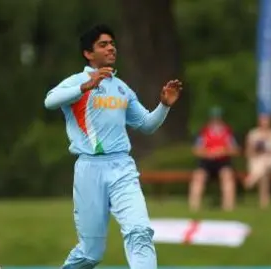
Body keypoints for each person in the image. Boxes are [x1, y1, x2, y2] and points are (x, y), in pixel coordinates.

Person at [44, 24, 182, 269]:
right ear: (88, 53)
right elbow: (50, 101)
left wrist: (164, 106)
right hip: (89, 169)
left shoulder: (122, 88)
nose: (111, 48)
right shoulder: (77, 81)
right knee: (90, 254)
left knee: (139, 231)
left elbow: (147, 125)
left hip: (121, 167)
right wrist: (83, 87)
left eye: (112, 43)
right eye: (103, 44)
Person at [189, 107, 239, 212]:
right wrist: (208, 153)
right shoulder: (204, 132)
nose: (216, 121)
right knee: (198, 177)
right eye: (214, 118)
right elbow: (196, 150)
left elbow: (235, 150)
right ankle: (194, 208)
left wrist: (223, 151)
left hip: (223, 162)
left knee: (227, 176)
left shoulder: (227, 133)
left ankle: (228, 207)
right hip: (207, 162)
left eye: (218, 118)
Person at [244, 114, 271, 208]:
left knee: (266, 160)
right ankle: (264, 203)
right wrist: (257, 150)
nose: (264, 123)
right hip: (257, 162)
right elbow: (248, 152)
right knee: (264, 172)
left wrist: (270, 151)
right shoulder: (253, 134)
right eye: (262, 120)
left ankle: (251, 180)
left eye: (266, 120)